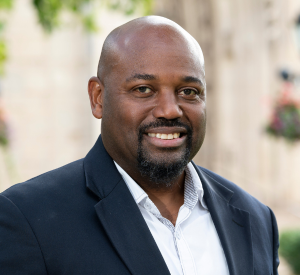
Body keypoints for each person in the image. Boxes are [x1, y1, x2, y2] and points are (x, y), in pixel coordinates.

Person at [0, 16, 279, 275]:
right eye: (143, 89)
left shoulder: (256, 219)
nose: (170, 110)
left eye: (188, 92)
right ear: (98, 98)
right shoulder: (28, 220)